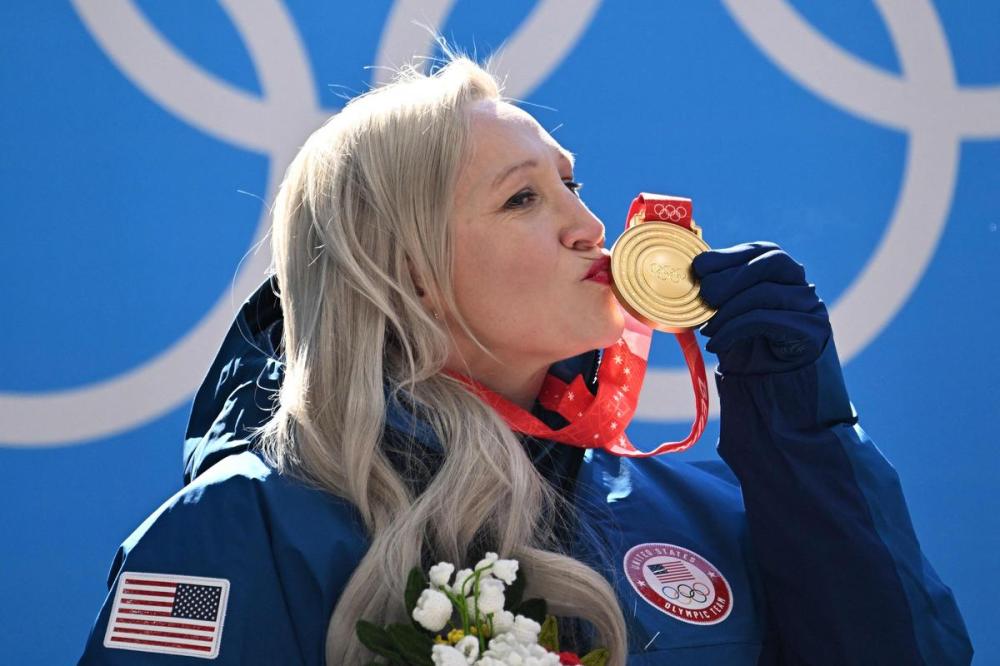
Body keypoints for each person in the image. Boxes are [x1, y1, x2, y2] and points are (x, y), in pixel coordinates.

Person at [78, 56, 972, 665]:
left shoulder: (710, 506)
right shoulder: (238, 529)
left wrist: (804, 438)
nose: (590, 226)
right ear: (406, 270)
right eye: (522, 199)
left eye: (572, 183)